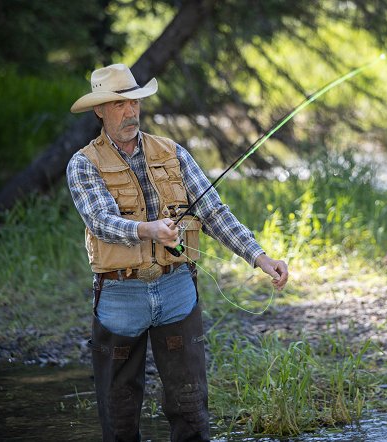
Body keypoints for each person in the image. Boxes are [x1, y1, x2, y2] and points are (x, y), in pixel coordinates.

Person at [66, 63, 288, 442]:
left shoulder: (173, 152)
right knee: (119, 415)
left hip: (176, 292)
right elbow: (100, 220)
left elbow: (215, 212)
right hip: (120, 297)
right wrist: (147, 230)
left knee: (190, 408)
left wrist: (259, 257)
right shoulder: (83, 164)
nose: (130, 111)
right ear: (99, 111)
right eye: (119, 105)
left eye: (134, 102)